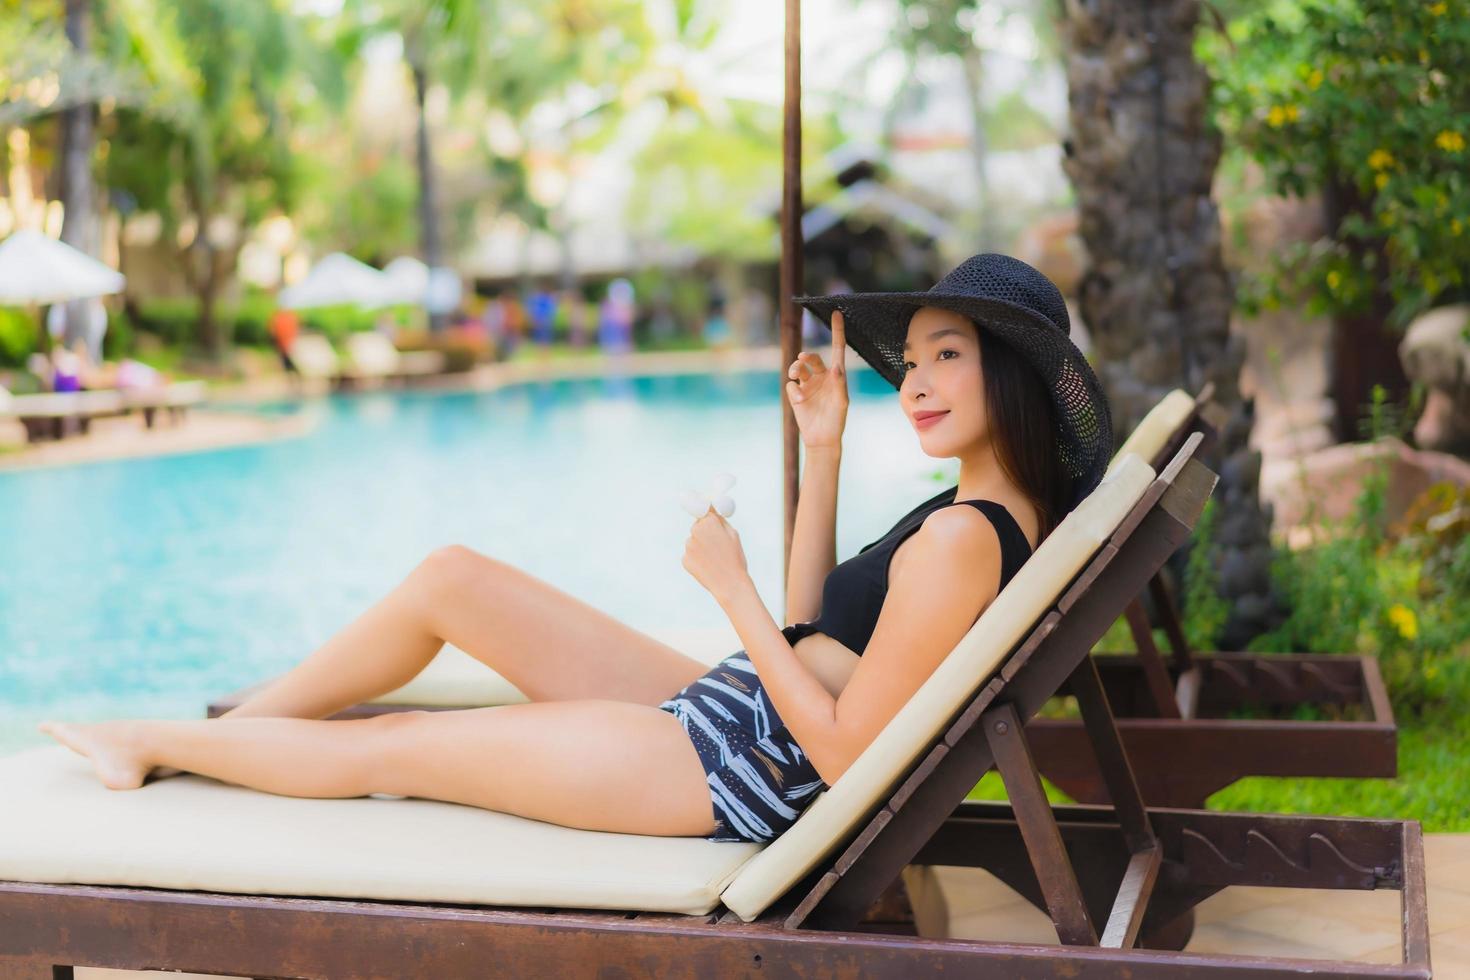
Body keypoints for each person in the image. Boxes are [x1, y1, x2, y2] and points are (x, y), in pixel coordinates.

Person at [37, 254, 1112, 845]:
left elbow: (843, 756)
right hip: (742, 711)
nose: (914, 380)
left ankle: (153, 741)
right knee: (453, 578)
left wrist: (727, 589)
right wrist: (820, 450)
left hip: (732, 766)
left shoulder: (968, 538)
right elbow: (811, 635)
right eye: (911, 357)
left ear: (1009, 372)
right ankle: (211, 739)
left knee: (398, 747)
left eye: (945, 356)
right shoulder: (969, 515)